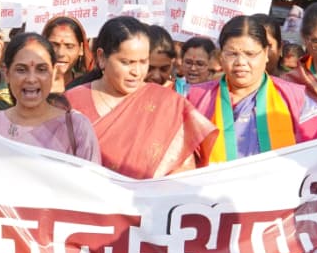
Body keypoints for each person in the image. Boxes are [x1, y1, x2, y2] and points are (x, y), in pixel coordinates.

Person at [65, 17, 216, 179]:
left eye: (143, 62)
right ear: (102, 57)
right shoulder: (71, 102)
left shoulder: (168, 103)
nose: (136, 72)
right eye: (127, 62)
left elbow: (183, 169)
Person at [186, 15, 317, 161]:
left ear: (265, 54)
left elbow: (313, 158)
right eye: (232, 54)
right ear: (220, 56)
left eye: (250, 54)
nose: (241, 62)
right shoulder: (195, 98)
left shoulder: (296, 99)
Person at [0, 33, 101, 161]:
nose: (31, 79)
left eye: (41, 69)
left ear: (54, 72)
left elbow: (92, 173)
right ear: (7, 73)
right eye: (21, 70)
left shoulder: (77, 128)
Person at [41, 15, 87, 93]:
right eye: (54, 45)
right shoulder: (31, 84)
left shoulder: (88, 88)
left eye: (69, 46)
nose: (60, 53)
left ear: (81, 49)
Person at [145, 24, 182, 90]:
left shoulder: (176, 93)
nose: (156, 76)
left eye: (164, 69)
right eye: (149, 68)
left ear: (172, 62)